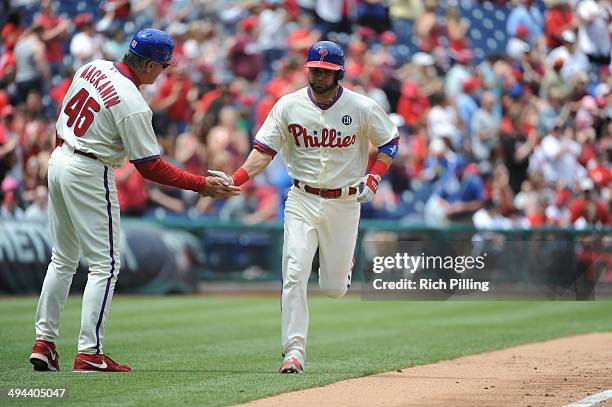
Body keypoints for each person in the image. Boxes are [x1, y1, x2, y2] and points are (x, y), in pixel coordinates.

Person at [29, 28, 239, 373]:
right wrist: (201, 184)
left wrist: (61, 160)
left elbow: (60, 121)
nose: (164, 72)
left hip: (60, 157)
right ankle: (89, 352)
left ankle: (44, 343)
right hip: (89, 170)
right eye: (163, 66)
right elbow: (150, 167)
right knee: (106, 264)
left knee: (63, 259)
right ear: (150, 65)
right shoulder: (133, 103)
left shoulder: (91, 68)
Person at [209, 41, 399, 373]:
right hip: (302, 198)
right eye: (315, 69)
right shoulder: (288, 105)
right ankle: (293, 352)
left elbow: (390, 141)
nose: (319, 75)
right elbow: (263, 151)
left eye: (326, 71)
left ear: (339, 73)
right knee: (294, 272)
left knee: (334, 289)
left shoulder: (360, 106)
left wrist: (374, 177)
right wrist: (237, 177)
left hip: (344, 202)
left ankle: (343, 264)